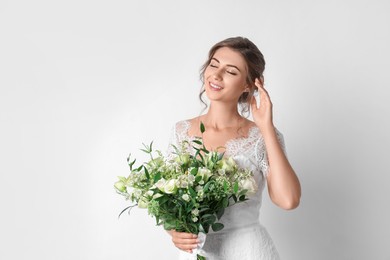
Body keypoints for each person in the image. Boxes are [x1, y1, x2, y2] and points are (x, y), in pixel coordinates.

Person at [167, 36, 301, 260]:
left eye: (231, 71)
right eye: (214, 64)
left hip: (248, 251)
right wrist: (175, 232)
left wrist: (266, 128)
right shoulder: (180, 132)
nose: (216, 75)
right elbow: (170, 202)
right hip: (199, 253)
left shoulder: (262, 136)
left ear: (249, 84)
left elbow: (288, 200)